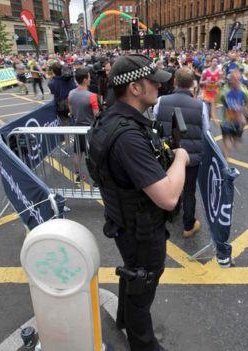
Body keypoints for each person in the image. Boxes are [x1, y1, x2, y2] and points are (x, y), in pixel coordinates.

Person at [86, 54, 187, 351]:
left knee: (134, 274)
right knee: (143, 290)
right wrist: (180, 159)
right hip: (141, 229)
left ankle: (123, 318)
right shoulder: (128, 136)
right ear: (134, 88)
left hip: (125, 220)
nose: (159, 85)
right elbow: (168, 197)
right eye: (152, 80)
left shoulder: (111, 118)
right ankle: (144, 345)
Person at [154, 67, 209, 239]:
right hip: (191, 157)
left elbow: (157, 125)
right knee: (189, 190)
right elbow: (206, 130)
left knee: (168, 183)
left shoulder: (161, 100)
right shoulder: (201, 105)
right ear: (193, 83)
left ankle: (169, 215)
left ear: (175, 82)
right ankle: (188, 225)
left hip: (169, 153)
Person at [68, 67, 100, 183]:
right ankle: (96, 181)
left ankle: (77, 176)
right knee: (92, 155)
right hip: (89, 129)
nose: (90, 79)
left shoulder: (71, 93)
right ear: (85, 80)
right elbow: (96, 114)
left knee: (77, 152)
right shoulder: (92, 96)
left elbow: (71, 111)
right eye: (89, 77)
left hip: (77, 127)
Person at [218, 70, 248, 160]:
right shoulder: (224, 90)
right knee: (227, 144)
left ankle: (237, 136)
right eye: (234, 79)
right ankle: (224, 163)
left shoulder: (244, 91)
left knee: (231, 141)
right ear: (231, 80)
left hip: (237, 122)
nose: (236, 81)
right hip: (226, 121)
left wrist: (244, 113)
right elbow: (216, 101)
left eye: (238, 79)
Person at [200, 56, 222, 121]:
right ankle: (205, 125)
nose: (215, 63)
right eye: (213, 61)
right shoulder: (205, 71)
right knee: (205, 112)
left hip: (214, 95)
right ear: (211, 62)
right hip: (206, 94)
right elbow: (200, 82)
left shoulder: (220, 72)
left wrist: (219, 83)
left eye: (216, 61)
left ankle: (208, 126)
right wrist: (205, 82)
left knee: (210, 113)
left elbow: (220, 82)